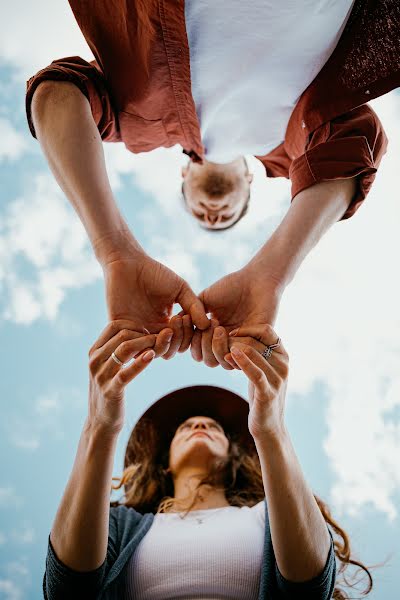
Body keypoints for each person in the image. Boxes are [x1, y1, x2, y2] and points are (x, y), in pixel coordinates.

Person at [26, 1, 398, 369]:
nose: (212, 213)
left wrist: (113, 252)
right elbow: (353, 147)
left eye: (199, 211)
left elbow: (57, 91)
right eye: (221, 218)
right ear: (248, 187)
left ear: (185, 175)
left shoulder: (138, 121)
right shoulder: (293, 146)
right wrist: (271, 276)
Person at [44, 321, 373, 599]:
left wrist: (271, 428)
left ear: (234, 456)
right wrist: (100, 426)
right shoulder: (121, 525)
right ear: (166, 463)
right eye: (186, 426)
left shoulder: (268, 517)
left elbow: (310, 584)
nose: (199, 424)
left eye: (213, 426)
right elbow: (68, 588)